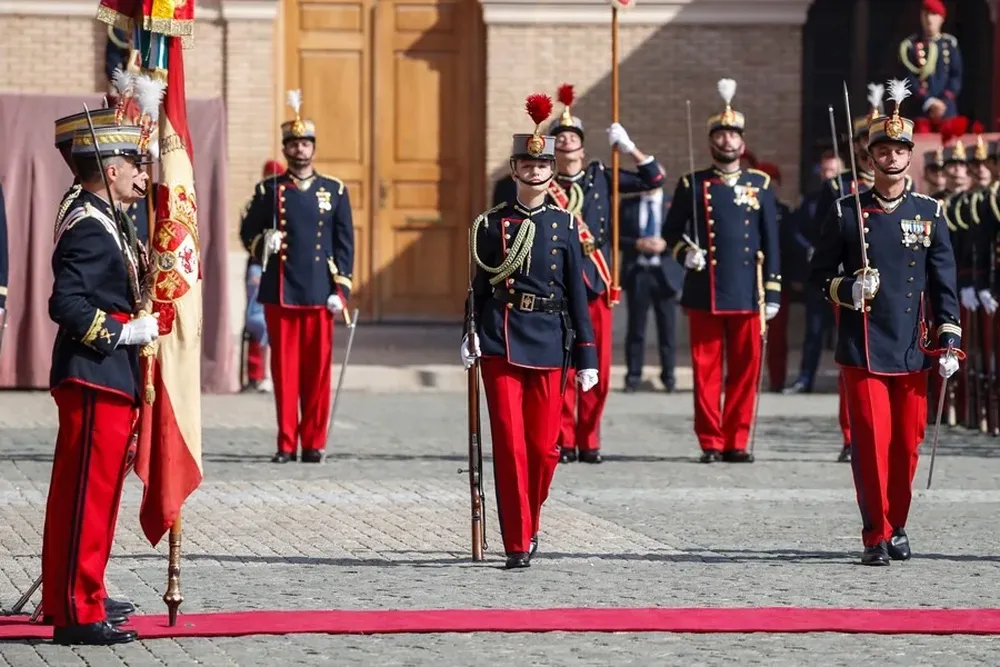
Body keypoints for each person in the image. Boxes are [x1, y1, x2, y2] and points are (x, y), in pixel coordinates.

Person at [809, 79, 962, 566]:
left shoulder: (930, 213)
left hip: (914, 347)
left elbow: (944, 285)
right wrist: (847, 290)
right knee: (871, 446)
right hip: (864, 347)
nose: (892, 157)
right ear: (869, 157)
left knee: (907, 448)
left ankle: (898, 524)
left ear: (909, 155)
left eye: (899, 149)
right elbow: (817, 276)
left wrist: (951, 339)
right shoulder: (845, 211)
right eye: (883, 149)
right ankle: (875, 533)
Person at [460, 93, 598, 569]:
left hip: (550, 340)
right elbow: (478, 287)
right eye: (526, 164)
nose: (535, 171)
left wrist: (588, 357)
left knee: (543, 449)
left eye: (542, 164)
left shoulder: (565, 225)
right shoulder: (491, 223)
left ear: (551, 170)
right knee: (510, 445)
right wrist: (470, 333)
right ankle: (516, 542)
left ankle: (531, 518)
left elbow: (579, 297)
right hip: (500, 338)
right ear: (515, 169)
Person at [42, 119, 159, 644]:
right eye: (133, 165)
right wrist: (123, 331)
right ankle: (76, 609)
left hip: (106, 378)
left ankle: (81, 588)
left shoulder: (103, 213)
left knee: (96, 493)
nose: (140, 173)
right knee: (86, 495)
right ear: (110, 171)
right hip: (94, 374)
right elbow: (65, 303)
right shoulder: (89, 222)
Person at [662, 78, 781, 464]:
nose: (728, 141)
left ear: (742, 143)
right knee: (707, 372)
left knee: (746, 373)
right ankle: (711, 441)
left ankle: (737, 440)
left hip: (749, 291)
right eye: (721, 135)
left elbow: (771, 242)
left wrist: (774, 292)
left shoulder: (760, 184)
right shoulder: (691, 183)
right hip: (705, 289)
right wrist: (685, 254)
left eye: (733, 135)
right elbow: (670, 232)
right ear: (711, 142)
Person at [240, 90, 354, 464]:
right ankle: (286, 443)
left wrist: (342, 289)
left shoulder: (334, 191)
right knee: (285, 375)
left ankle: (314, 443)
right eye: (294, 143)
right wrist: (263, 243)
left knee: (317, 376)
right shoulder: (268, 190)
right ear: (286, 149)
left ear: (313, 149)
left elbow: (344, 244)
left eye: (306, 143)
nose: (300, 149)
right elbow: (247, 234)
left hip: (321, 293)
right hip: (282, 293)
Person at [619, 183, 682, 393]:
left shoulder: (673, 203)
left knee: (668, 329)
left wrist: (666, 244)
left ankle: (669, 377)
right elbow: (615, 236)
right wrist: (636, 243)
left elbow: (685, 233)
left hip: (664, 273)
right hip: (638, 272)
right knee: (636, 329)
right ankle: (633, 377)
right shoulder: (628, 205)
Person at [240, 159, 285, 393]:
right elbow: (247, 234)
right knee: (257, 321)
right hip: (259, 267)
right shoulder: (256, 202)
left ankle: (274, 374)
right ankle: (256, 374)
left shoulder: (287, 202)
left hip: (281, 268)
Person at [754, 162, 794, 392]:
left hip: (777, 282)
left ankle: (777, 380)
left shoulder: (784, 212)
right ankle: (752, 379)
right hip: (750, 283)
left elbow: (788, 248)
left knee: (777, 338)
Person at [900, 0, 962, 132]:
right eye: (926, 14)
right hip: (921, 110)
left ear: (942, 18)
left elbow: (956, 76)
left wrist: (943, 102)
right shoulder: (911, 46)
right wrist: (929, 101)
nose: (929, 19)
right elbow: (910, 79)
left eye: (934, 14)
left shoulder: (950, 44)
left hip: (946, 110)